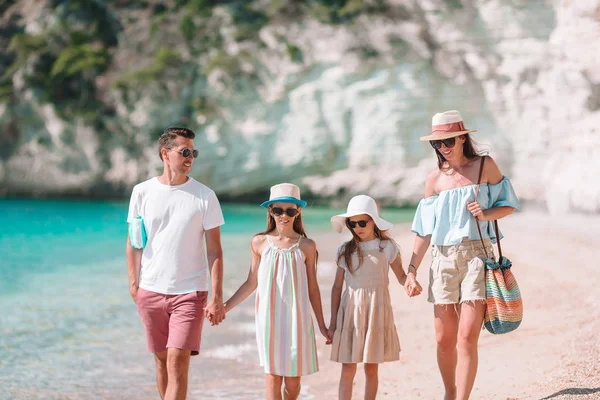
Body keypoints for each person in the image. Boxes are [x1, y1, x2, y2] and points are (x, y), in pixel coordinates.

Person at [406, 110, 520, 400]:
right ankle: (449, 393)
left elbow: (508, 205)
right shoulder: (434, 179)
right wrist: (411, 270)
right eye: (437, 144)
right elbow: (424, 231)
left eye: (448, 141)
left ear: (462, 138)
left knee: (467, 337)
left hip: (477, 256)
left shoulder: (485, 166)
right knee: (443, 339)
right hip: (442, 259)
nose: (443, 147)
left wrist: (486, 213)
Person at [126, 127, 226, 400]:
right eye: (184, 152)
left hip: (190, 294)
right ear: (164, 153)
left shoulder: (205, 196)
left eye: (193, 152)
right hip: (150, 292)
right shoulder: (142, 192)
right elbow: (135, 242)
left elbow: (215, 250)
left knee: (177, 363)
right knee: (161, 362)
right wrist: (134, 285)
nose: (190, 157)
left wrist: (216, 296)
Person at [223, 183, 330, 400]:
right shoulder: (259, 242)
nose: (284, 215)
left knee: (293, 383)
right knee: (272, 378)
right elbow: (251, 282)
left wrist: (322, 325)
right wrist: (225, 307)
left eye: (290, 210)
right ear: (270, 211)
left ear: (298, 212)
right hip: (269, 319)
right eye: (278, 210)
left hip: (297, 320)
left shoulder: (307, 246)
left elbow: (313, 288)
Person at [328, 195, 423, 400]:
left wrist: (411, 282)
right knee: (348, 366)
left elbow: (400, 277)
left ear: (373, 221)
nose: (358, 227)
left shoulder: (387, 247)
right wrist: (333, 321)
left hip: (376, 310)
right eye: (352, 224)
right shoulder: (345, 250)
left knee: (371, 368)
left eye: (362, 222)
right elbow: (337, 287)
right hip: (351, 311)